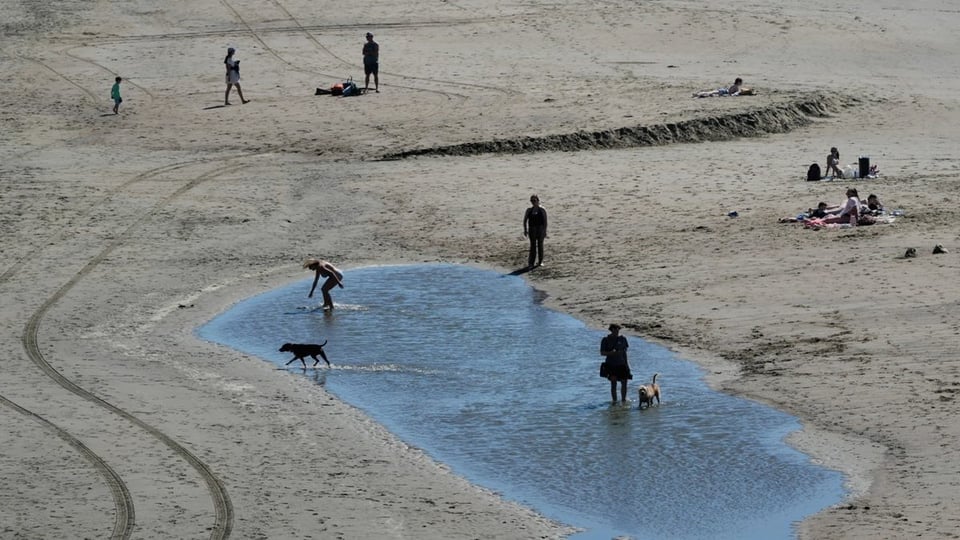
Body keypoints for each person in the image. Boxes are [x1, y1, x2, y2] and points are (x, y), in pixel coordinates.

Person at [600, 324, 631, 403]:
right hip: (611, 365)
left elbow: (625, 353)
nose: (617, 331)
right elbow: (602, 353)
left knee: (624, 383)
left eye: (618, 329)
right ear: (611, 330)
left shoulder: (623, 339)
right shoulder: (605, 339)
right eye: (615, 330)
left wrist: (627, 365)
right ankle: (614, 401)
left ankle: (623, 400)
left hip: (622, 364)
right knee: (613, 384)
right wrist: (611, 353)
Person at [522, 194, 548, 268]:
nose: (533, 202)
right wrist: (525, 230)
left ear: (538, 200)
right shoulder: (529, 210)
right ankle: (531, 263)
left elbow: (545, 221)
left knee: (540, 245)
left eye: (534, 200)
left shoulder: (542, 209)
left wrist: (545, 231)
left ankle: (540, 261)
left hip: (540, 229)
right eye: (532, 201)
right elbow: (525, 220)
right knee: (532, 246)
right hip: (532, 229)